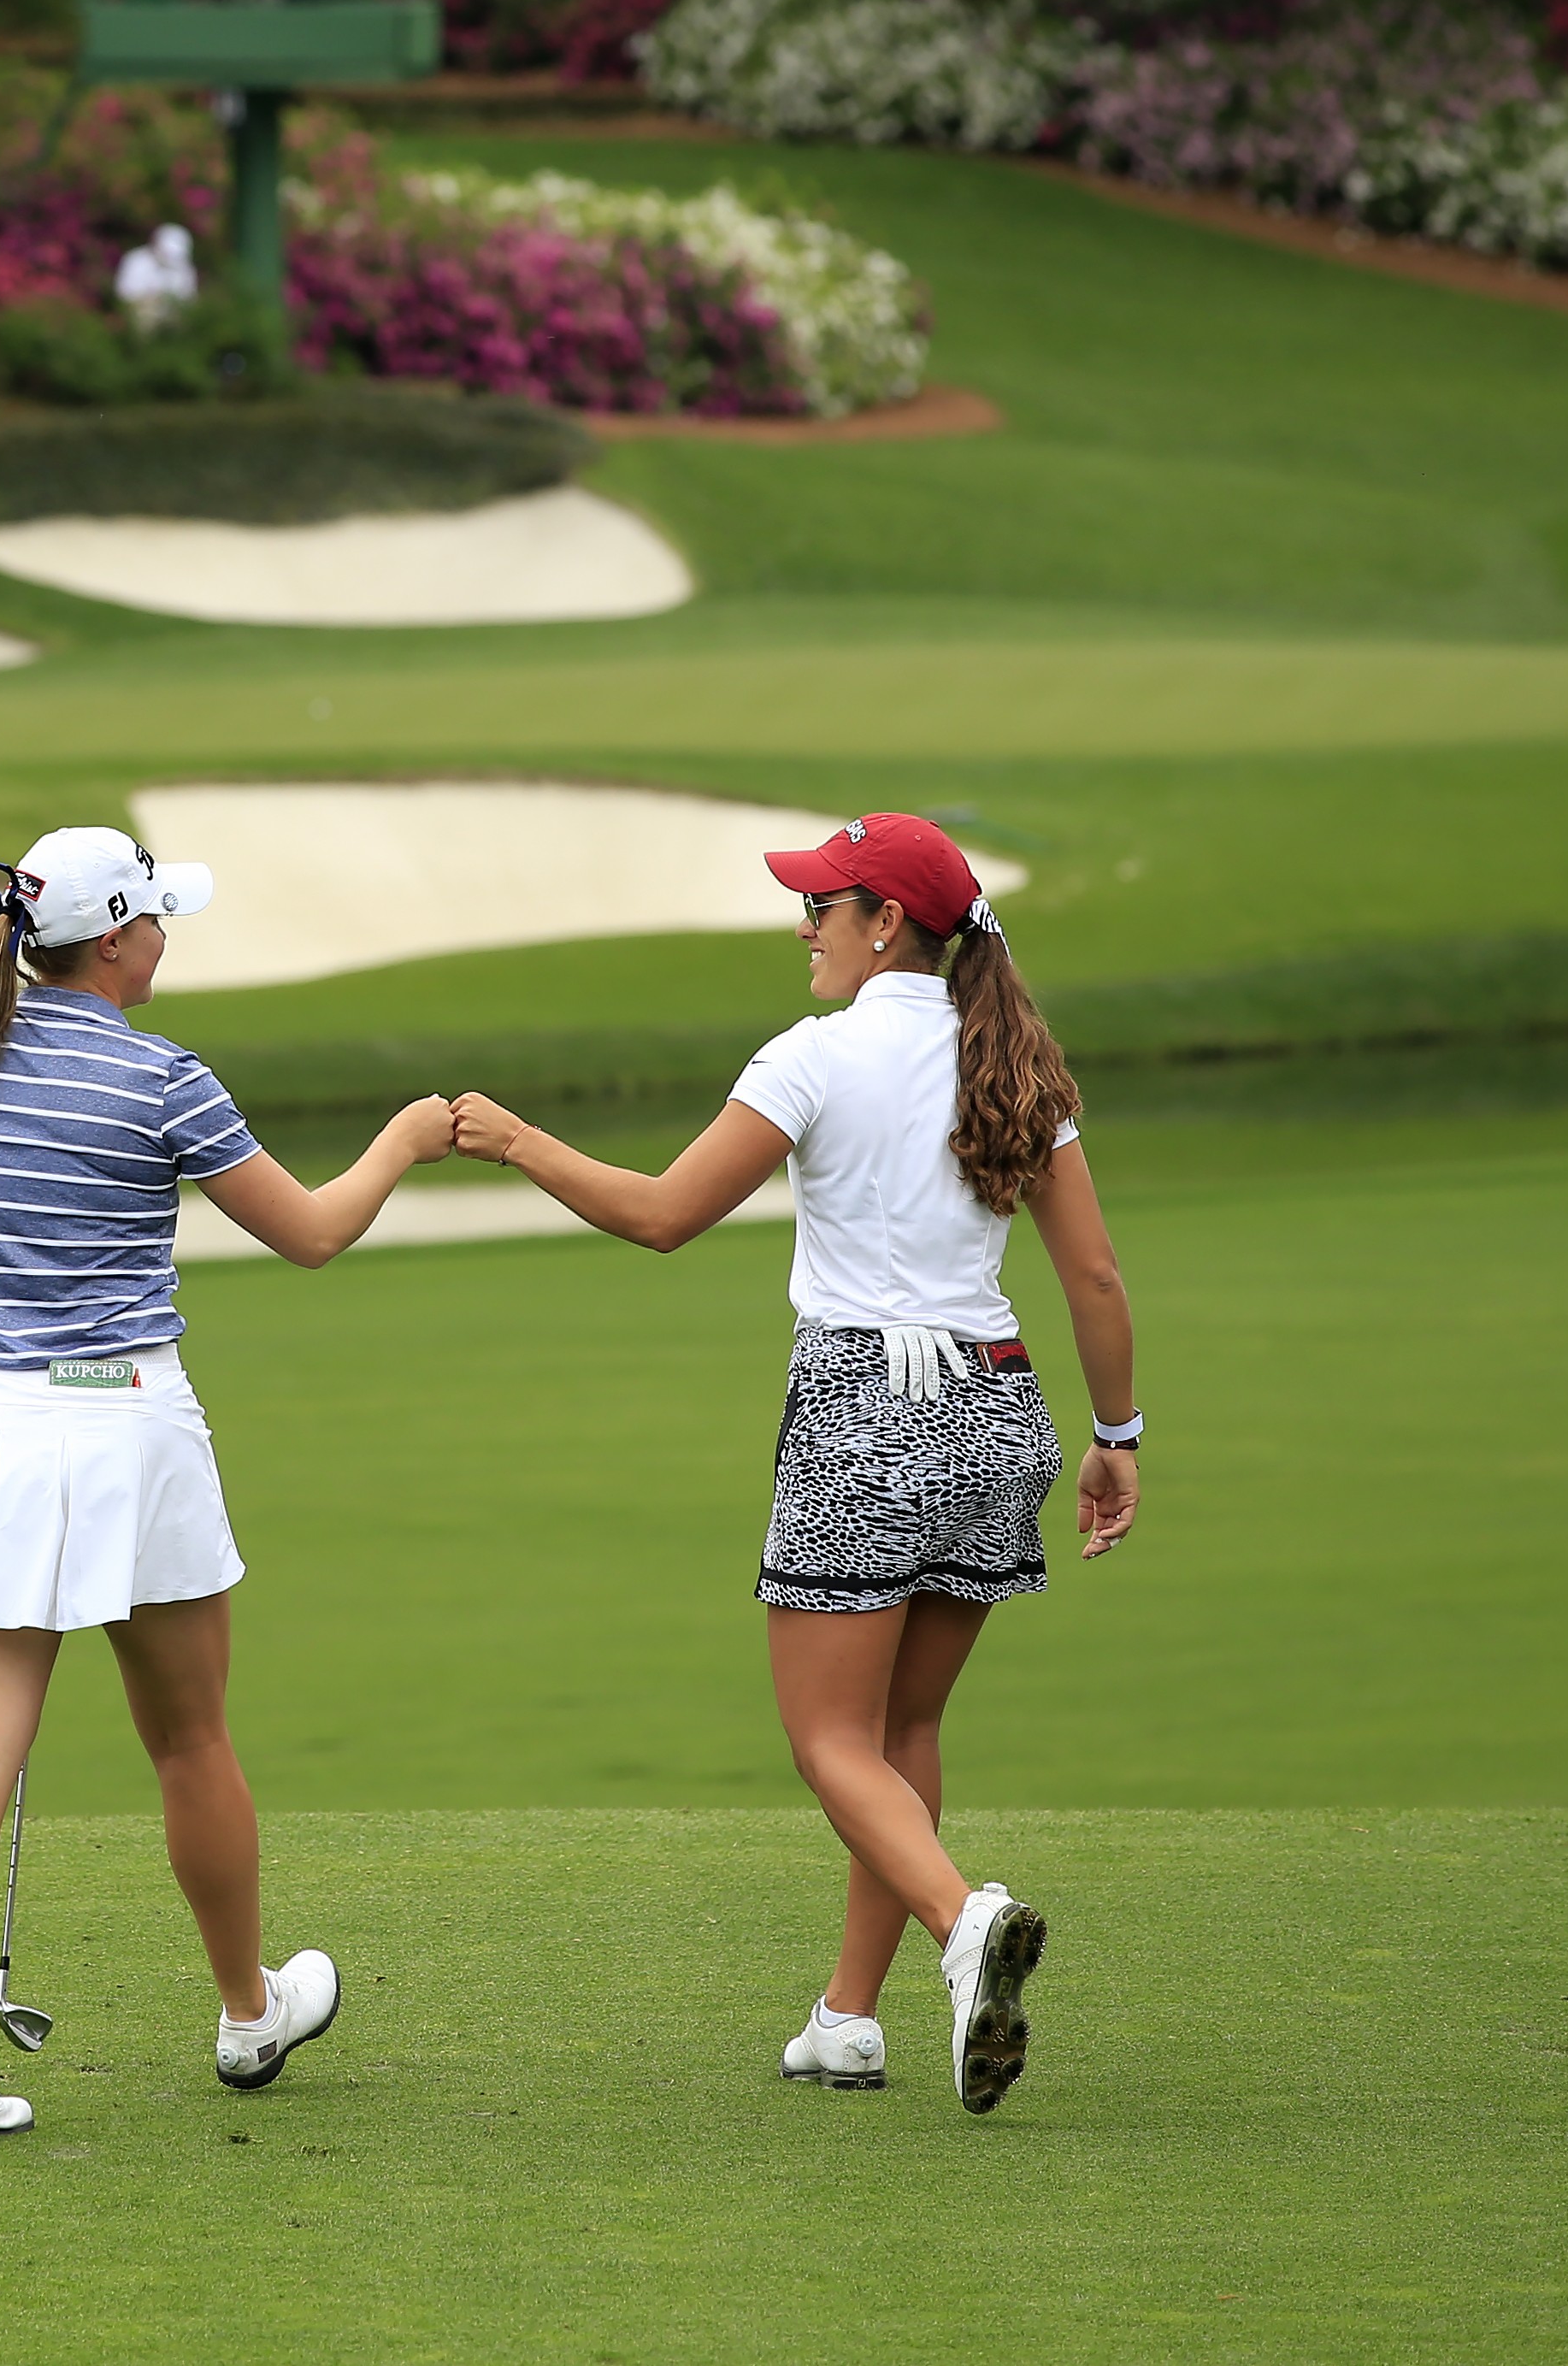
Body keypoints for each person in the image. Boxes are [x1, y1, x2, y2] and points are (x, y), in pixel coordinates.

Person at [445, 814, 1141, 2115]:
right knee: (903, 1729)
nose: (802, 924)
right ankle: (845, 2019)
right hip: (997, 1409)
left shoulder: (813, 1057)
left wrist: (515, 1140)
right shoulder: (1019, 1064)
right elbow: (1092, 1274)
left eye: (821, 903)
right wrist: (1116, 1439)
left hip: (863, 1405)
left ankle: (961, 1919)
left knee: (827, 1738)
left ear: (885, 923)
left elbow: (661, 1216)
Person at [0, 825, 456, 2145]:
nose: (166, 938)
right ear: (117, 937)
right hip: (128, 1428)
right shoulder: (164, 1079)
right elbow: (309, 1233)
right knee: (188, 1738)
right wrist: (405, 1139)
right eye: (157, 920)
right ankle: (247, 2016)